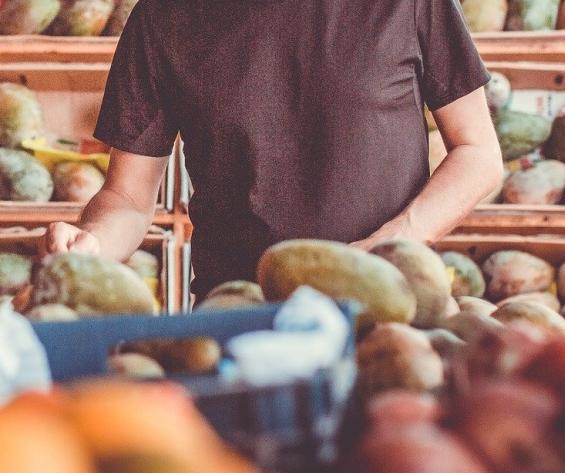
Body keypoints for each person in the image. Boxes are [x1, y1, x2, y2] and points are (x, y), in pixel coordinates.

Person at [43, 0, 503, 302]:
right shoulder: (164, 17)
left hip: (388, 302)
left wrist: (389, 244)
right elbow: (126, 197)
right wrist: (93, 246)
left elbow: (477, 152)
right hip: (238, 312)